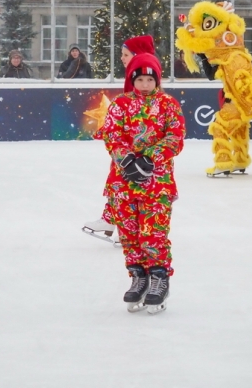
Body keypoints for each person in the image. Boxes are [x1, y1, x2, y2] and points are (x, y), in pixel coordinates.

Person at [94, 53, 185, 314]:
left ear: (157, 80)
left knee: (153, 234)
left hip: (157, 182)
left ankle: (158, 278)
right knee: (131, 235)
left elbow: (175, 136)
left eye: (149, 79)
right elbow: (111, 133)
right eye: (140, 79)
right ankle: (139, 276)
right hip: (123, 183)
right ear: (132, 80)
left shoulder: (168, 104)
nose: (145, 84)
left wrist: (149, 159)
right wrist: (127, 160)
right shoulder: (120, 105)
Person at [82, 35, 156, 243]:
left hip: (139, 148)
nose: (122, 59)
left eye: (126, 55)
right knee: (119, 178)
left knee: (128, 182)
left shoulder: (143, 84)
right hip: (126, 147)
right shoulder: (133, 80)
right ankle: (112, 219)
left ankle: (127, 225)